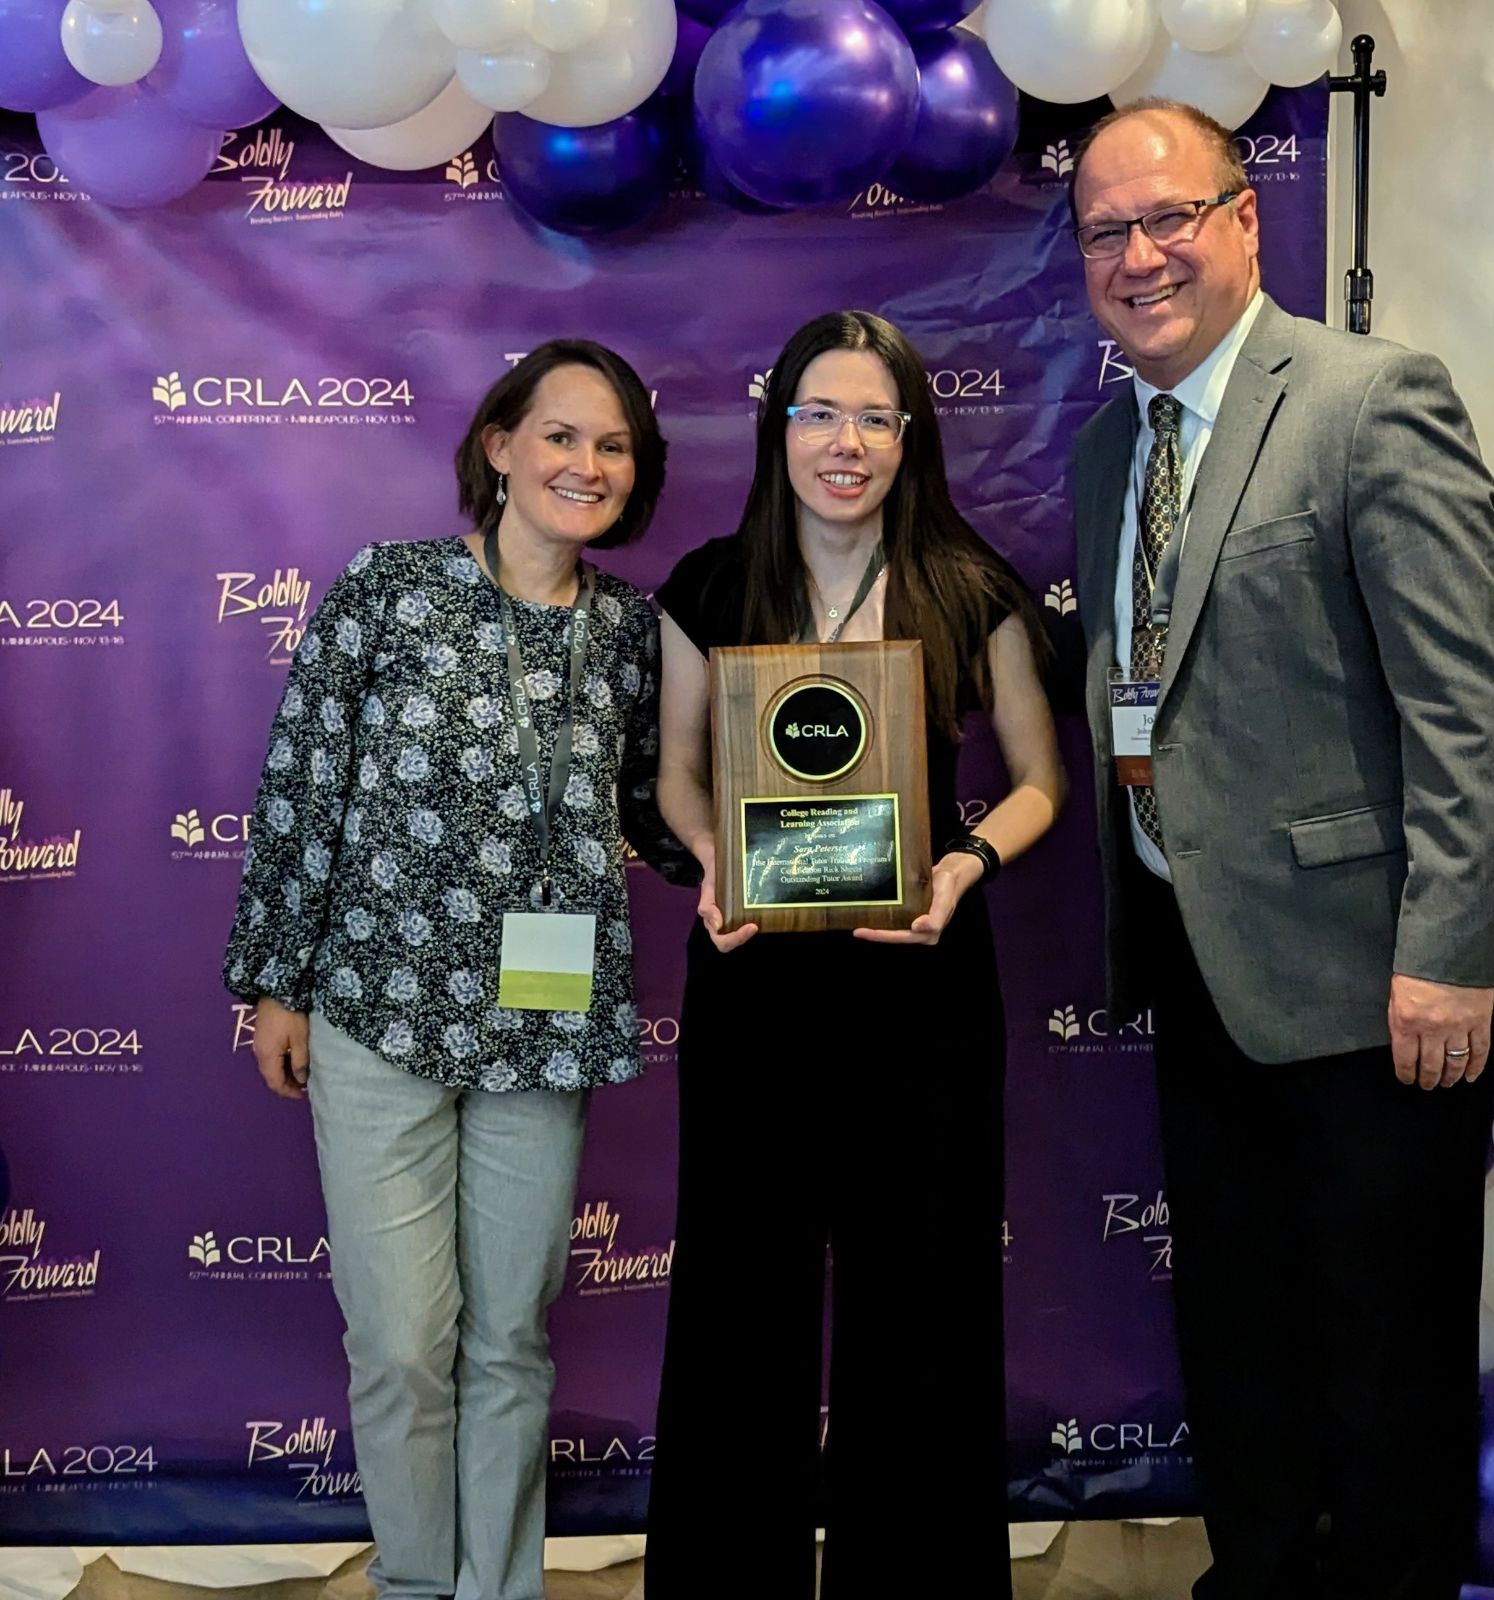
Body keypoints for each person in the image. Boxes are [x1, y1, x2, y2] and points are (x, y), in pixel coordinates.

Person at [1067, 98, 1494, 1598]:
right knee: (1242, 1343)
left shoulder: (1363, 398)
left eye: (1167, 217)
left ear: (1242, 218)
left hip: (1373, 994)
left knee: (1385, 1365)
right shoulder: (1103, 454)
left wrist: (1446, 958)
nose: (1136, 256)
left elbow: (1466, 702)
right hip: (1196, 973)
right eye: (1103, 232)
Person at [223, 339, 690, 1600]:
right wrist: (277, 980)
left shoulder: (635, 634)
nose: (583, 464)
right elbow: (305, 784)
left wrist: (778, 861)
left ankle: (501, 1591)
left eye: (610, 447)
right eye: (558, 435)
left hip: (544, 1025)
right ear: (498, 446)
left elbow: (657, 813)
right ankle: (418, 1588)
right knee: (397, 1341)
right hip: (379, 1009)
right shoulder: (387, 589)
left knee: (509, 1341)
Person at [643, 310, 1066, 1600]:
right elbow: (673, 776)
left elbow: (1042, 779)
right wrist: (713, 854)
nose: (845, 442)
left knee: (921, 1307)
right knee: (738, 1302)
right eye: (819, 413)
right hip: (754, 976)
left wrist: (964, 863)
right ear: (779, 432)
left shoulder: (966, 584)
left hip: (919, 977)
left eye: (874, 418)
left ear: (909, 437)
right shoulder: (710, 587)